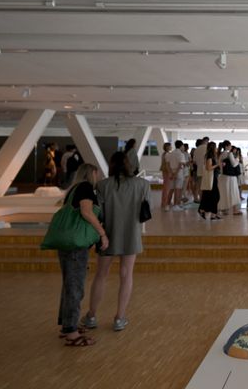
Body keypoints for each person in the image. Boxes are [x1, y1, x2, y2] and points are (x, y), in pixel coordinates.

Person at [82, 152, 149, 333]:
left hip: (108, 235)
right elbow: (145, 210)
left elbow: (99, 213)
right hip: (131, 235)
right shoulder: (143, 184)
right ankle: (119, 318)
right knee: (126, 275)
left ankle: (92, 315)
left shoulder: (103, 185)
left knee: (101, 275)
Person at [56, 163, 108, 347]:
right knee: (75, 287)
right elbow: (86, 212)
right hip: (75, 245)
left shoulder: (73, 189)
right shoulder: (86, 188)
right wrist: (102, 233)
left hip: (66, 243)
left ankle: (68, 325)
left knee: (69, 285)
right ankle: (71, 332)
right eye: (97, 173)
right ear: (92, 173)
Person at [198, 142, 221, 220]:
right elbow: (209, 168)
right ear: (213, 148)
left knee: (208, 195)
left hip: (213, 178)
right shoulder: (209, 157)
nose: (216, 148)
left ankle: (207, 212)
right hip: (211, 178)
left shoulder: (212, 156)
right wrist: (217, 165)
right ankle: (211, 213)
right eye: (215, 147)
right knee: (215, 196)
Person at [218, 140, 242, 215]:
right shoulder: (229, 154)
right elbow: (234, 164)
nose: (231, 147)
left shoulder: (221, 154)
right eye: (230, 146)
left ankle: (224, 209)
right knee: (233, 192)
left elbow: (220, 165)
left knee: (224, 192)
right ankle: (235, 210)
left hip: (223, 176)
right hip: (231, 177)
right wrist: (237, 158)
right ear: (227, 146)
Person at [168, 140, 186, 211]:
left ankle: (168, 205)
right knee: (178, 189)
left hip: (172, 172)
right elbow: (181, 164)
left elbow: (168, 164)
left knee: (172, 189)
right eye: (183, 146)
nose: (183, 147)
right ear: (181, 146)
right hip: (178, 173)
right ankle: (176, 205)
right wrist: (175, 174)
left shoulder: (171, 153)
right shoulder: (181, 154)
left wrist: (171, 173)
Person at [192, 138, 208, 203]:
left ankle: (201, 200)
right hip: (207, 171)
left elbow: (194, 161)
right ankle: (206, 200)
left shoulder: (196, 150)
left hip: (199, 171)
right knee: (207, 187)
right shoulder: (207, 148)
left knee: (200, 186)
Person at [160, 142, 173, 211]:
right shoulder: (167, 154)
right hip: (167, 171)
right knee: (167, 187)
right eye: (170, 146)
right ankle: (165, 202)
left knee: (166, 187)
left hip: (165, 171)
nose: (171, 147)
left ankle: (164, 202)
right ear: (167, 147)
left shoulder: (164, 154)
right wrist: (170, 173)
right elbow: (168, 165)